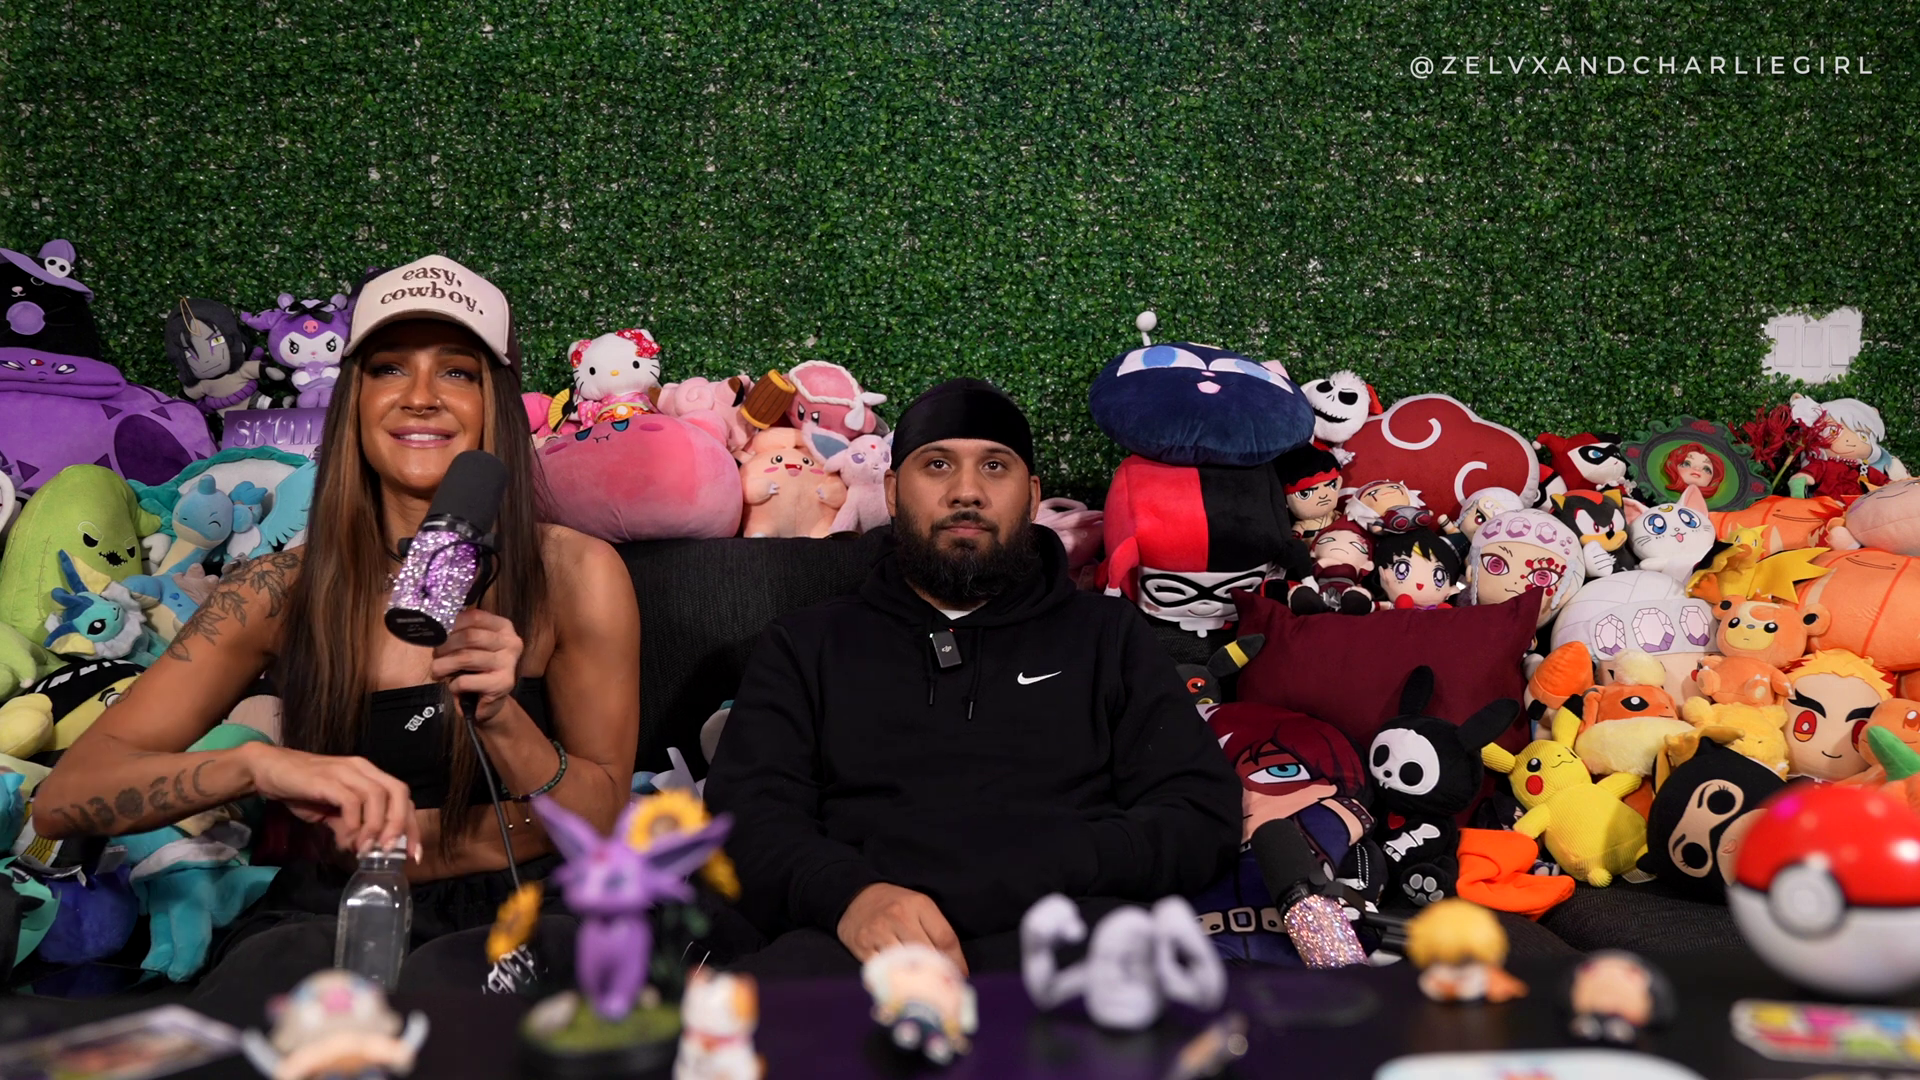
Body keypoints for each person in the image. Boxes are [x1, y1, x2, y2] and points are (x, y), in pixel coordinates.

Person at [32, 255, 640, 1007]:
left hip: (534, 910)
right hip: (341, 913)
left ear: (498, 403)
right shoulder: (275, 590)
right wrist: (258, 766)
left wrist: (503, 719)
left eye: (457, 372)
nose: (421, 397)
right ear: (354, 399)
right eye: (389, 369)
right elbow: (65, 798)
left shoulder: (577, 573)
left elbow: (603, 824)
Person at [704, 378, 1240, 976]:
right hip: (858, 950)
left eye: (994, 466)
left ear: (1031, 496)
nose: (967, 491)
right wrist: (849, 897)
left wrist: (1047, 864)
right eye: (937, 465)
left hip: (1074, 947)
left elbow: (1199, 811)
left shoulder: (1108, 635)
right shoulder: (805, 644)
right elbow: (746, 819)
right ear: (892, 491)